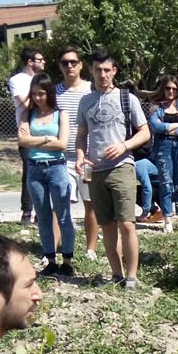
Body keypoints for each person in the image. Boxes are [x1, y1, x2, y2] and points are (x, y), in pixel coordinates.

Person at [76, 50, 151, 290]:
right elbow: (81, 137)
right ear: (91, 71)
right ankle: (116, 274)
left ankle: (132, 277)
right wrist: (80, 157)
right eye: (98, 70)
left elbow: (145, 132)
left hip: (122, 167)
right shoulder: (85, 101)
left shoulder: (127, 98)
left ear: (114, 71)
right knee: (106, 226)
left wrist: (124, 146)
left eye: (107, 70)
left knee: (127, 223)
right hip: (95, 171)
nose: (102, 74)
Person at [18, 73, 74, 277]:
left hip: (56, 168)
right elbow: (22, 140)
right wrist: (45, 139)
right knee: (41, 216)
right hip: (34, 168)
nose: (37, 98)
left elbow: (62, 143)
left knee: (63, 215)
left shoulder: (61, 114)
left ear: (49, 93)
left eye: (41, 94)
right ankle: (50, 258)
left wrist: (34, 138)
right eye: (33, 94)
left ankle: (67, 259)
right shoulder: (28, 114)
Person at [54, 48, 99, 259]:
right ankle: (54, 249)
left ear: (81, 64)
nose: (69, 66)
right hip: (61, 159)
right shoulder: (54, 92)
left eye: (73, 62)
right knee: (60, 205)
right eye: (65, 62)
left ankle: (91, 249)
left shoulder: (92, 90)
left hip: (88, 159)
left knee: (91, 204)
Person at [148, 74, 178, 233]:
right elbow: (156, 126)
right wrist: (176, 125)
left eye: (174, 89)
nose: (170, 91)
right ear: (163, 88)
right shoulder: (157, 107)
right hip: (163, 148)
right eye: (168, 88)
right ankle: (167, 219)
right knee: (166, 184)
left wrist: (170, 128)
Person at [8, 45, 46, 225]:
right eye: (40, 59)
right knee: (29, 172)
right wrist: (38, 94)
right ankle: (26, 212)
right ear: (30, 62)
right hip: (26, 130)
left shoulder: (44, 80)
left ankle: (42, 211)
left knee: (46, 171)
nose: (44, 62)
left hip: (45, 129)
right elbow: (23, 102)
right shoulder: (17, 80)